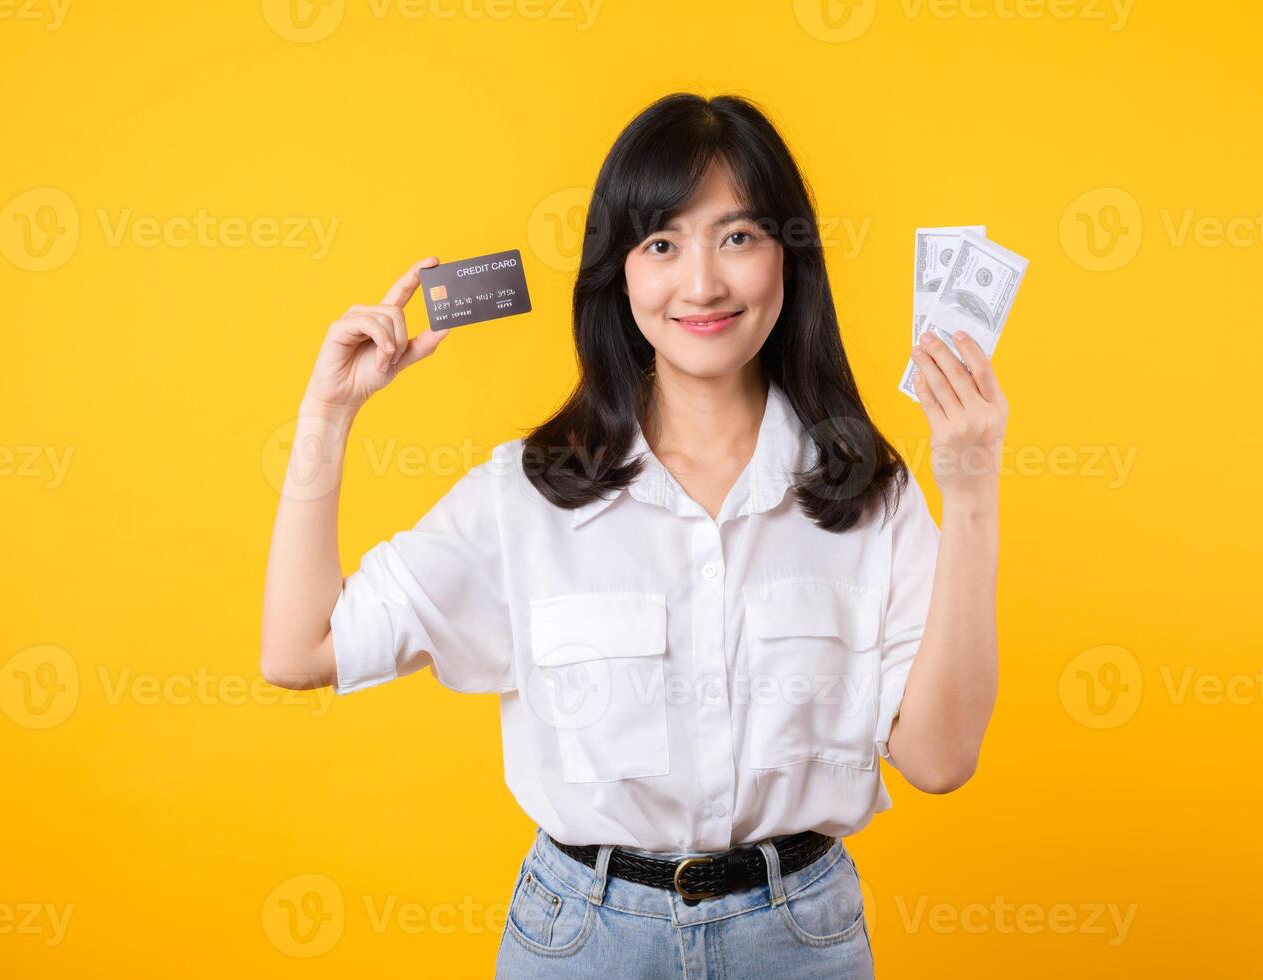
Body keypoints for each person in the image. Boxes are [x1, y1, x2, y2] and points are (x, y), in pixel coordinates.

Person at [260, 92, 1004, 978]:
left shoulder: (868, 492)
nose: (701, 285)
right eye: (661, 244)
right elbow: (298, 648)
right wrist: (327, 416)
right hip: (581, 943)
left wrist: (972, 493)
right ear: (620, 274)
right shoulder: (528, 493)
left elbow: (939, 759)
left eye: (738, 237)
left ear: (790, 260)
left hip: (799, 941)